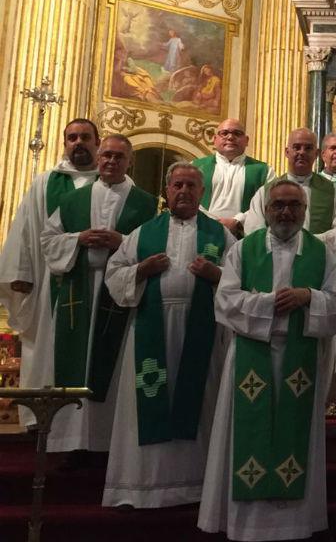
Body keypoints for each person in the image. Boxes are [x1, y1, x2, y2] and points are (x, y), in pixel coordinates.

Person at [198, 180, 336, 541]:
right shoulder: (243, 249)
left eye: (294, 205)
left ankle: (294, 523)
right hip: (251, 353)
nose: (286, 212)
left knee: (296, 433)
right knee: (247, 433)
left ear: (305, 211)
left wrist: (308, 296)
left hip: (301, 357)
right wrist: (269, 303)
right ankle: (247, 525)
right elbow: (225, 302)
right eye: (278, 205)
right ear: (265, 210)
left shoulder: (320, 252)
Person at [103, 162, 234, 508]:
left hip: (202, 331)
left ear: (202, 192)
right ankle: (142, 487)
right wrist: (142, 269)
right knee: (146, 402)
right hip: (151, 328)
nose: (184, 191)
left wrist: (216, 275)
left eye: (191, 185)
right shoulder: (143, 233)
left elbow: (243, 281)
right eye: (178, 185)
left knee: (201, 402)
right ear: (167, 191)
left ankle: (198, 487)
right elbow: (114, 276)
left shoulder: (221, 235)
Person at [40, 134, 157, 453]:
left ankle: (106, 444)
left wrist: (123, 242)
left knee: (114, 367)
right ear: (98, 157)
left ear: (130, 161)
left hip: (120, 295)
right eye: (106, 155)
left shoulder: (147, 203)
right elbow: (48, 241)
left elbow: (156, 247)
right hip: (79, 291)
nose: (111, 161)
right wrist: (78, 238)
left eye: (119, 156)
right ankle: (70, 442)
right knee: (73, 362)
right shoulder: (73, 200)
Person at [0, 119, 99, 425]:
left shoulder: (114, 181)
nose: (78, 142)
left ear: (97, 142)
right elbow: (26, 227)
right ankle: (42, 421)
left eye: (85, 137)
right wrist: (22, 271)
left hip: (96, 285)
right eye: (72, 137)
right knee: (46, 346)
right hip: (49, 282)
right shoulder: (45, 182)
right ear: (64, 143)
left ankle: (87, 425)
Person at [243, 128, 336, 259]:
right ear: (287, 152)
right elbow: (254, 230)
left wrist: (307, 245)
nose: (302, 152)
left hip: (317, 261)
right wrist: (282, 247)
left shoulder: (333, 191)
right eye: (297, 147)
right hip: (274, 261)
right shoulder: (266, 192)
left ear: (316, 154)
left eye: (308, 148)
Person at [192, 118, 275, 236]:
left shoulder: (264, 170)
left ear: (246, 140)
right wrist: (212, 221)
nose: (230, 137)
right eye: (224, 133)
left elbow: (269, 203)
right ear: (215, 139)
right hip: (203, 231)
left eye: (237, 133)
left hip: (244, 235)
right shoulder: (195, 167)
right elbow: (188, 199)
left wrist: (238, 221)